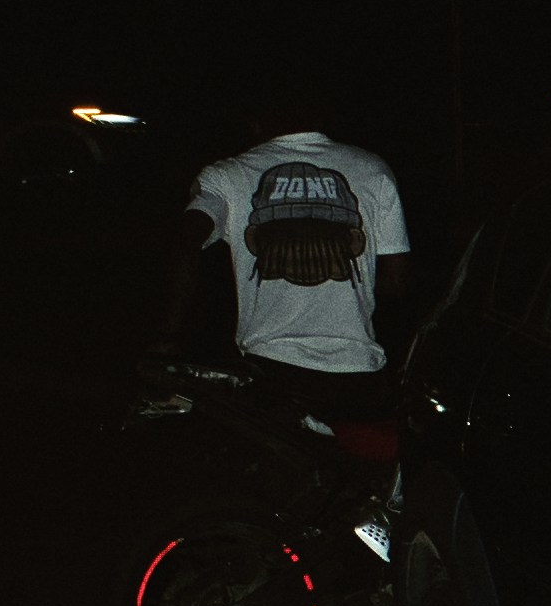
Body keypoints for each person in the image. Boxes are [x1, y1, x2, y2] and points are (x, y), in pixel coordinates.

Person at [165, 113, 414, 395]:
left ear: (255, 122)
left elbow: (187, 241)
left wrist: (171, 337)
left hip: (270, 371)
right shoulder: (373, 168)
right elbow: (397, 281)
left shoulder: (227, 175)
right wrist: (344, 290)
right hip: (359, 374)